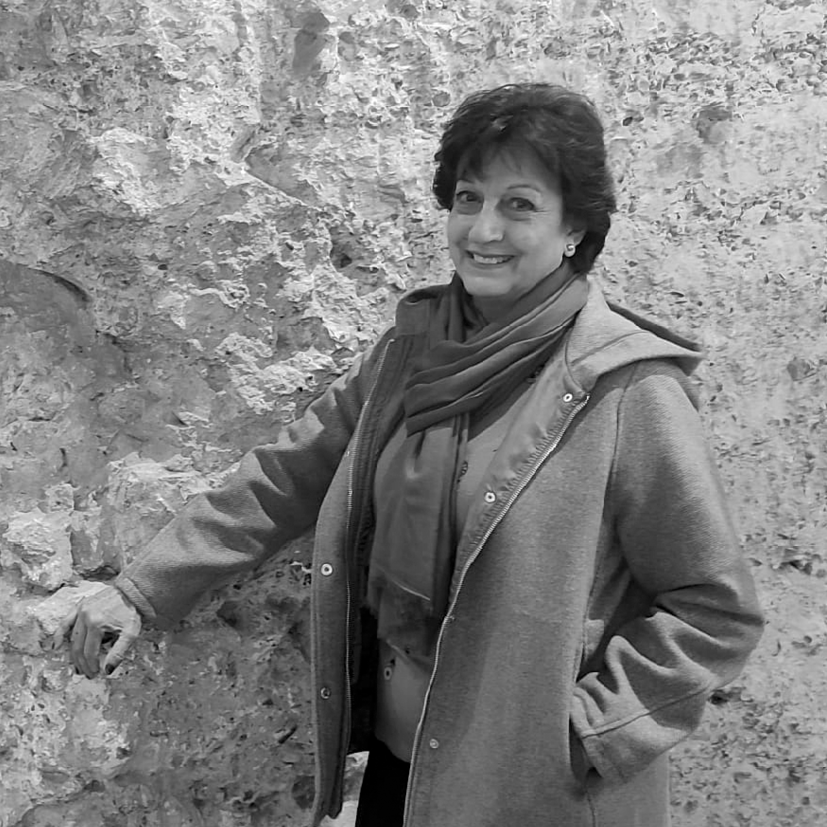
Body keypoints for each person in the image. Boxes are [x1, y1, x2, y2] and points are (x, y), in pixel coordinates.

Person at [57, 83, 764, 827]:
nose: (483, 228)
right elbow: (287, 474)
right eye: (467, 198)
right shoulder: (413, 352)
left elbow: (714, 609)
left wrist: (590, 733)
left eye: (519, 204)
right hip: (404, 773)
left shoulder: (626, 389)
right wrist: (142, 590)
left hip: (533, 795)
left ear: (574, 230)